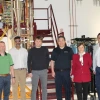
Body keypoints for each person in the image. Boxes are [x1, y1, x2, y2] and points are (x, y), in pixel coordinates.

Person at [50, 36, 74, 100]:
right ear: (57, 42)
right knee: (58, 89)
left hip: (67, 72)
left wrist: (72, 70)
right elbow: (52, 61)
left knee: (67, 89)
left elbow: (72, 61)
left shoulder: (69, 50)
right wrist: (52, 71)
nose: (61, 42)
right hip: (57, 73)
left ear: (65, 41)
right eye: (59, 41)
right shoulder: (55, 50)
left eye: (62, 40)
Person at [27, 36, 49, 100]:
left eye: (39, 41)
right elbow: (29, 61)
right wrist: (29, 71)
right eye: (37, 41)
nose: (38, 42)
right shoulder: (31, 50)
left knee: (44, 88)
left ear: (41, 42)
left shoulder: (45, 49)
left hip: (43, 71)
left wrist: (47, 68)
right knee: (34, 88)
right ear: (35, 42)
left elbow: (47, 59)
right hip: (34, 72)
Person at [93, 33, 100, 100]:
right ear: (97, 39)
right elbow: (94, 59)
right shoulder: (95, 47)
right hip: (97, 69)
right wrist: (94, 69)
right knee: (98, 85)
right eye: (99, 38)